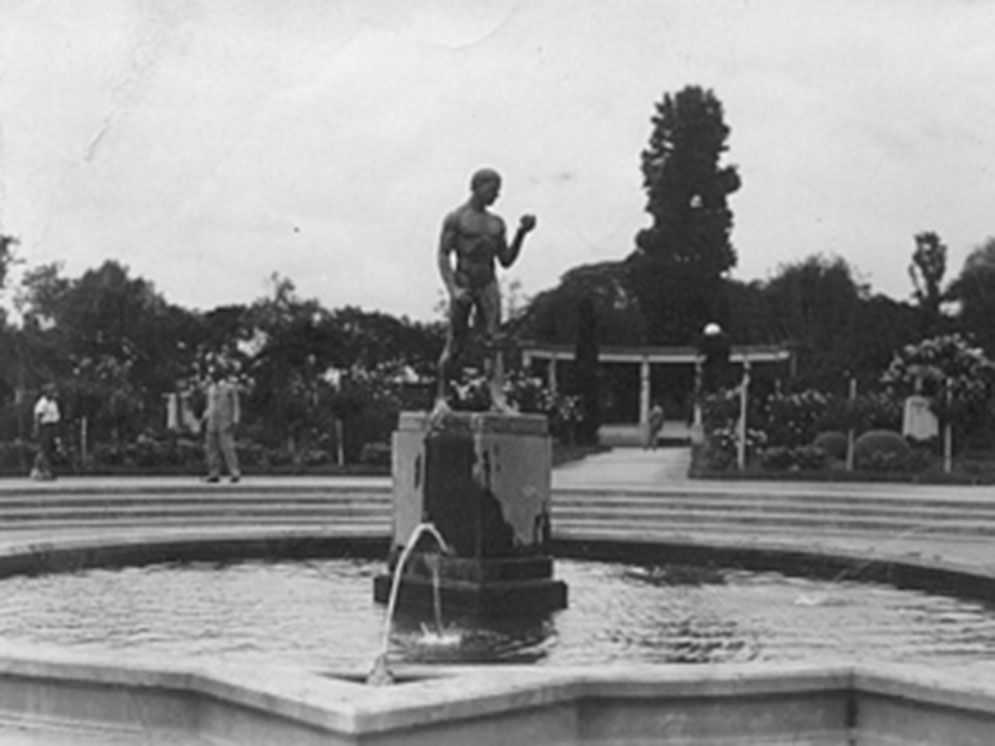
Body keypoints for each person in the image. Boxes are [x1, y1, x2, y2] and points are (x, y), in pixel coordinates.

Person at [433, 168, 536, 418]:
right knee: (456, 342)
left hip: (488, 282)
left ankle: (497, 399)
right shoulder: (456, 219)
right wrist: (454, 289)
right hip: (464, 280)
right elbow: (443, 255)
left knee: (493, 342)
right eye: (493, 188)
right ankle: (441, 398)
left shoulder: (496, 224)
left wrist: (521, 233)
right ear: (477, 186)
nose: (497, 194)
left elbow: (506, 259)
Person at [201, 366, 241, 483]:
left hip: (225, 421)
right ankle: (214, 473)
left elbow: (235, 405)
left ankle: (234, 472)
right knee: (211, 448)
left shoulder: (229, 388)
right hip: (212, 421)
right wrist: (204, 418)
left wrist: (235, 419)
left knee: (228, 448)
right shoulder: (211, 388)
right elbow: (210, 405)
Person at [31, 383, 61, 480]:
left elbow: (55, 417)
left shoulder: (53, 403)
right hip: (45, 427)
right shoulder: (42, 403)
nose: (53, 394)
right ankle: (40, 470)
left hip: (53, 427)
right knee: (44, 450)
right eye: (51, 392)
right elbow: (38, 417)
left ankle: (44, 470)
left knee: (51, 450)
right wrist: (36, 429)